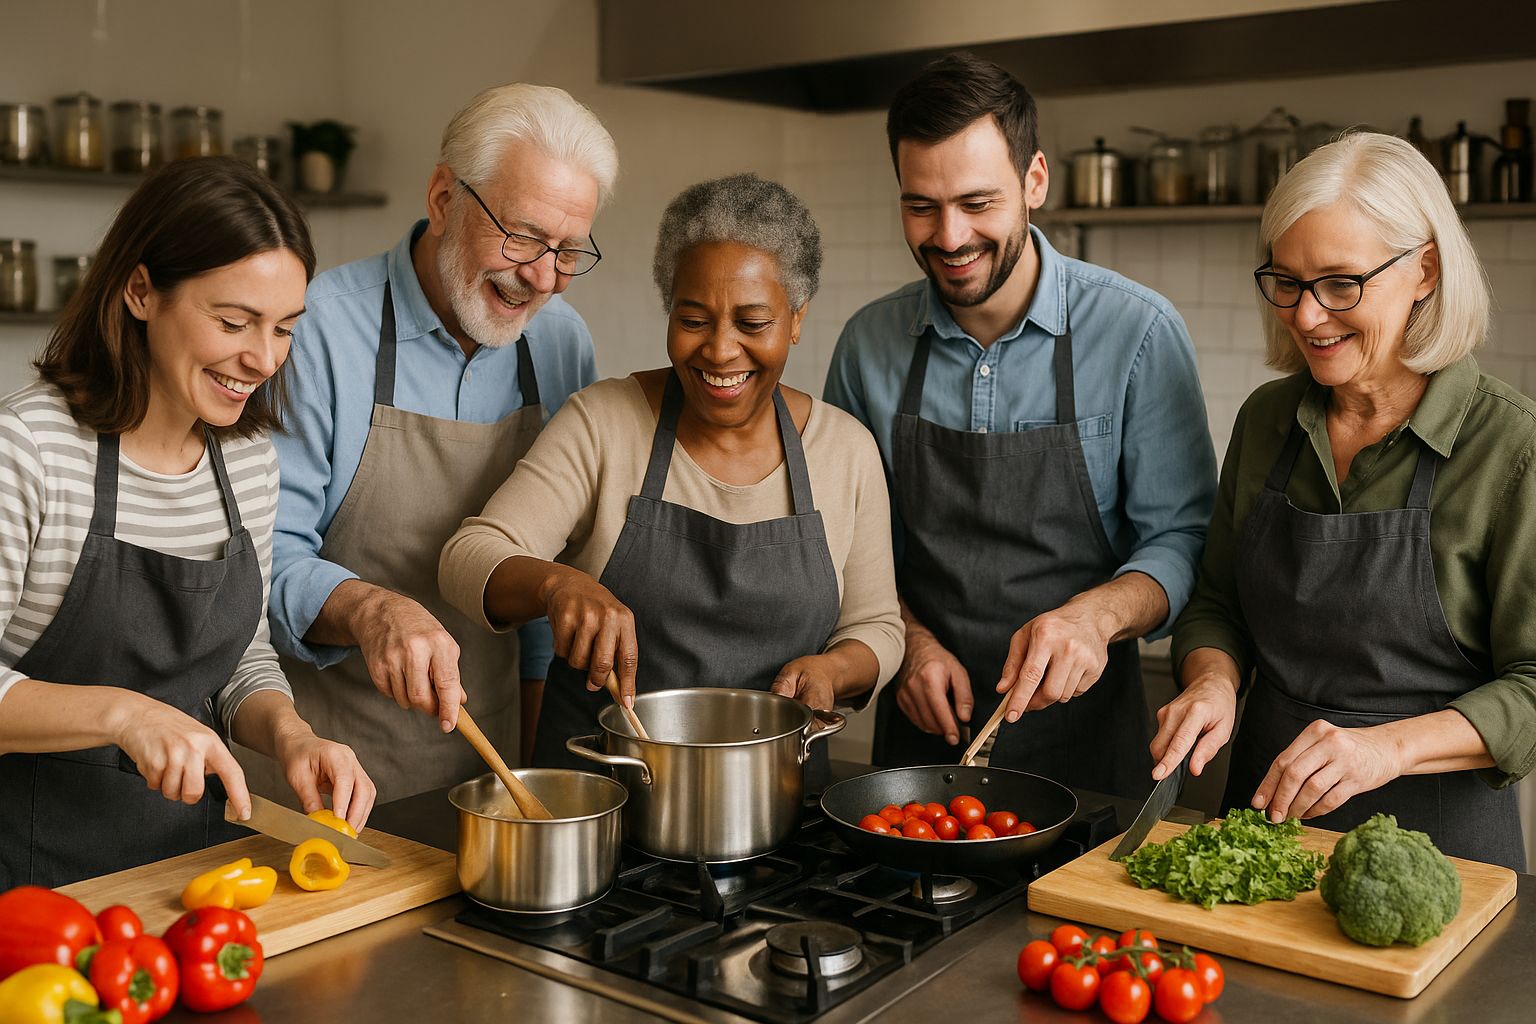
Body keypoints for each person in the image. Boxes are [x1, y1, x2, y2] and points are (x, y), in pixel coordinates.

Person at [824, 53, 1216, 799]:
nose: (949, 236)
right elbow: (842, 545)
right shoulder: (868, 345)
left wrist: (1096, 617)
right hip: (921, 747)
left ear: (1035, 180)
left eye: (977, 202)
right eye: (921, 206)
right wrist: (908, 643)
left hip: (1089, 747)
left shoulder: (1137, 333)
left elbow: (1185, 540)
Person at [1153, 132, 1536, 870]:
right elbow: (1217, 604)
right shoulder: (1267, 420)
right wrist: (1212, 680)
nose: (1305, 316)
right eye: (1287, 281)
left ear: (1425, 269)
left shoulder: (1512, 446)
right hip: (1263, 831)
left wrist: (1386, 749)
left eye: (1340, 283)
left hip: (1438, 857)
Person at [441, 173, 903, 771]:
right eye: (693, 320)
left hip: (777, 795)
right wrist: (557, 585)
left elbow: (878, 625)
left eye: (752, 323)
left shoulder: (846, 450)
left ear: (795, 319)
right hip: (602, 791)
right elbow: (468, 555)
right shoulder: (604, 423)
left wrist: (833, 671)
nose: (720, 350)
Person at [0, 157, 374, 888]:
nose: (261, 359)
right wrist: (123, 716)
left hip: (191, 873)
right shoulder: (30, 450)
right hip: (30, 884)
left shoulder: (249, 462)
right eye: (233, 322)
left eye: (284, 329)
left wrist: (292, 736)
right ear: (141, 291)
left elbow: (237, 657)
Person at [257, 85, 617, 803]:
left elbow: (544, 574)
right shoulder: (317, 330)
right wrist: (371, 610)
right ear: (444, 198)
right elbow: (261, 562)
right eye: (523, 236)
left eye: (569, 250)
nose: (542, 278)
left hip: (493, 774)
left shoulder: (560, 343)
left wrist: (531, 779)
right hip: (329, 773)